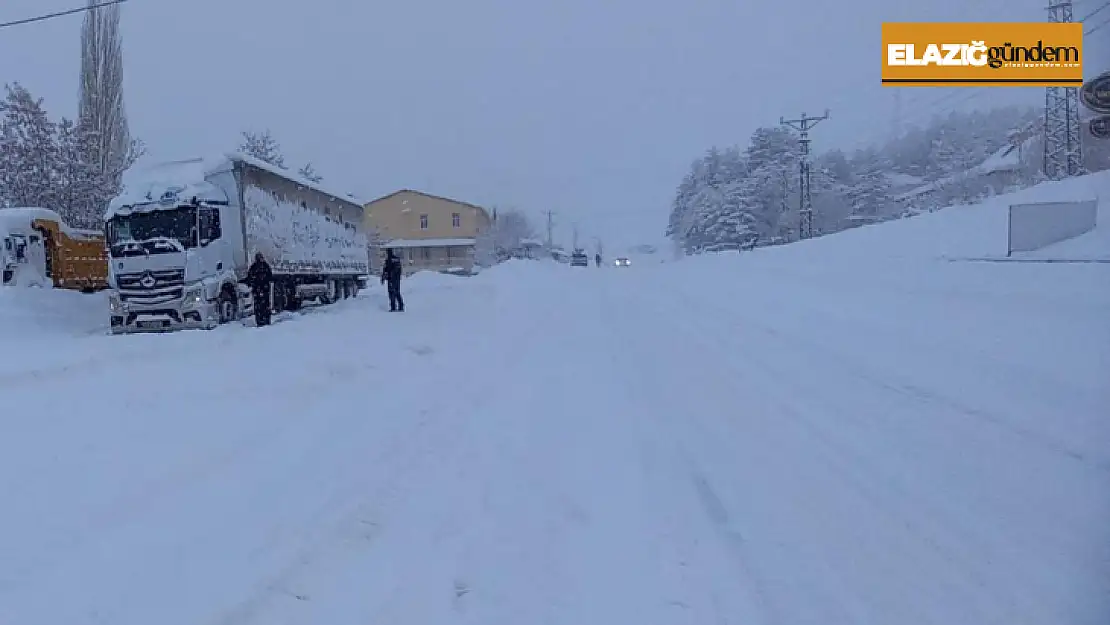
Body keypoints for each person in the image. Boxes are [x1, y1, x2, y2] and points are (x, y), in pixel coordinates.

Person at [246, 252, 273, 326]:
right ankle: (265, 320)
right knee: (264, 306)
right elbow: (270, 277)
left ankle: (261, 321)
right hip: (263, 290)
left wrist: (251, 283)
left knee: (259, 306)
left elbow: (249, 278)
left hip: (259, 290)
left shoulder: (254, 267)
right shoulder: (265, 266)